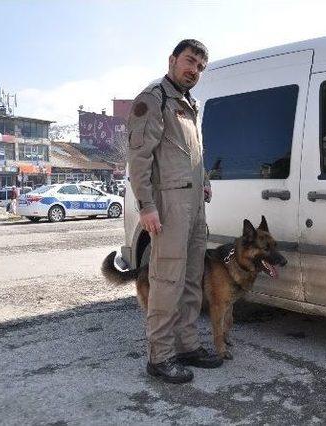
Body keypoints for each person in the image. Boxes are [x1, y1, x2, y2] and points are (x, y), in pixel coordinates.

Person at [127, 39, 220, 384]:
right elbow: (139, 159)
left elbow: (191, 154)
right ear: (172, 59)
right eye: (189, 61)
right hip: (167, 207)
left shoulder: (189, 104)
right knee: (166, 280)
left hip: (194, 206)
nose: (193, 70)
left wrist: (205, 179)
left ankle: (187, 346)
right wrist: (146, 207)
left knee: (192, 278)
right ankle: (160, 356)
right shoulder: (154, 99)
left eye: (199, 67)